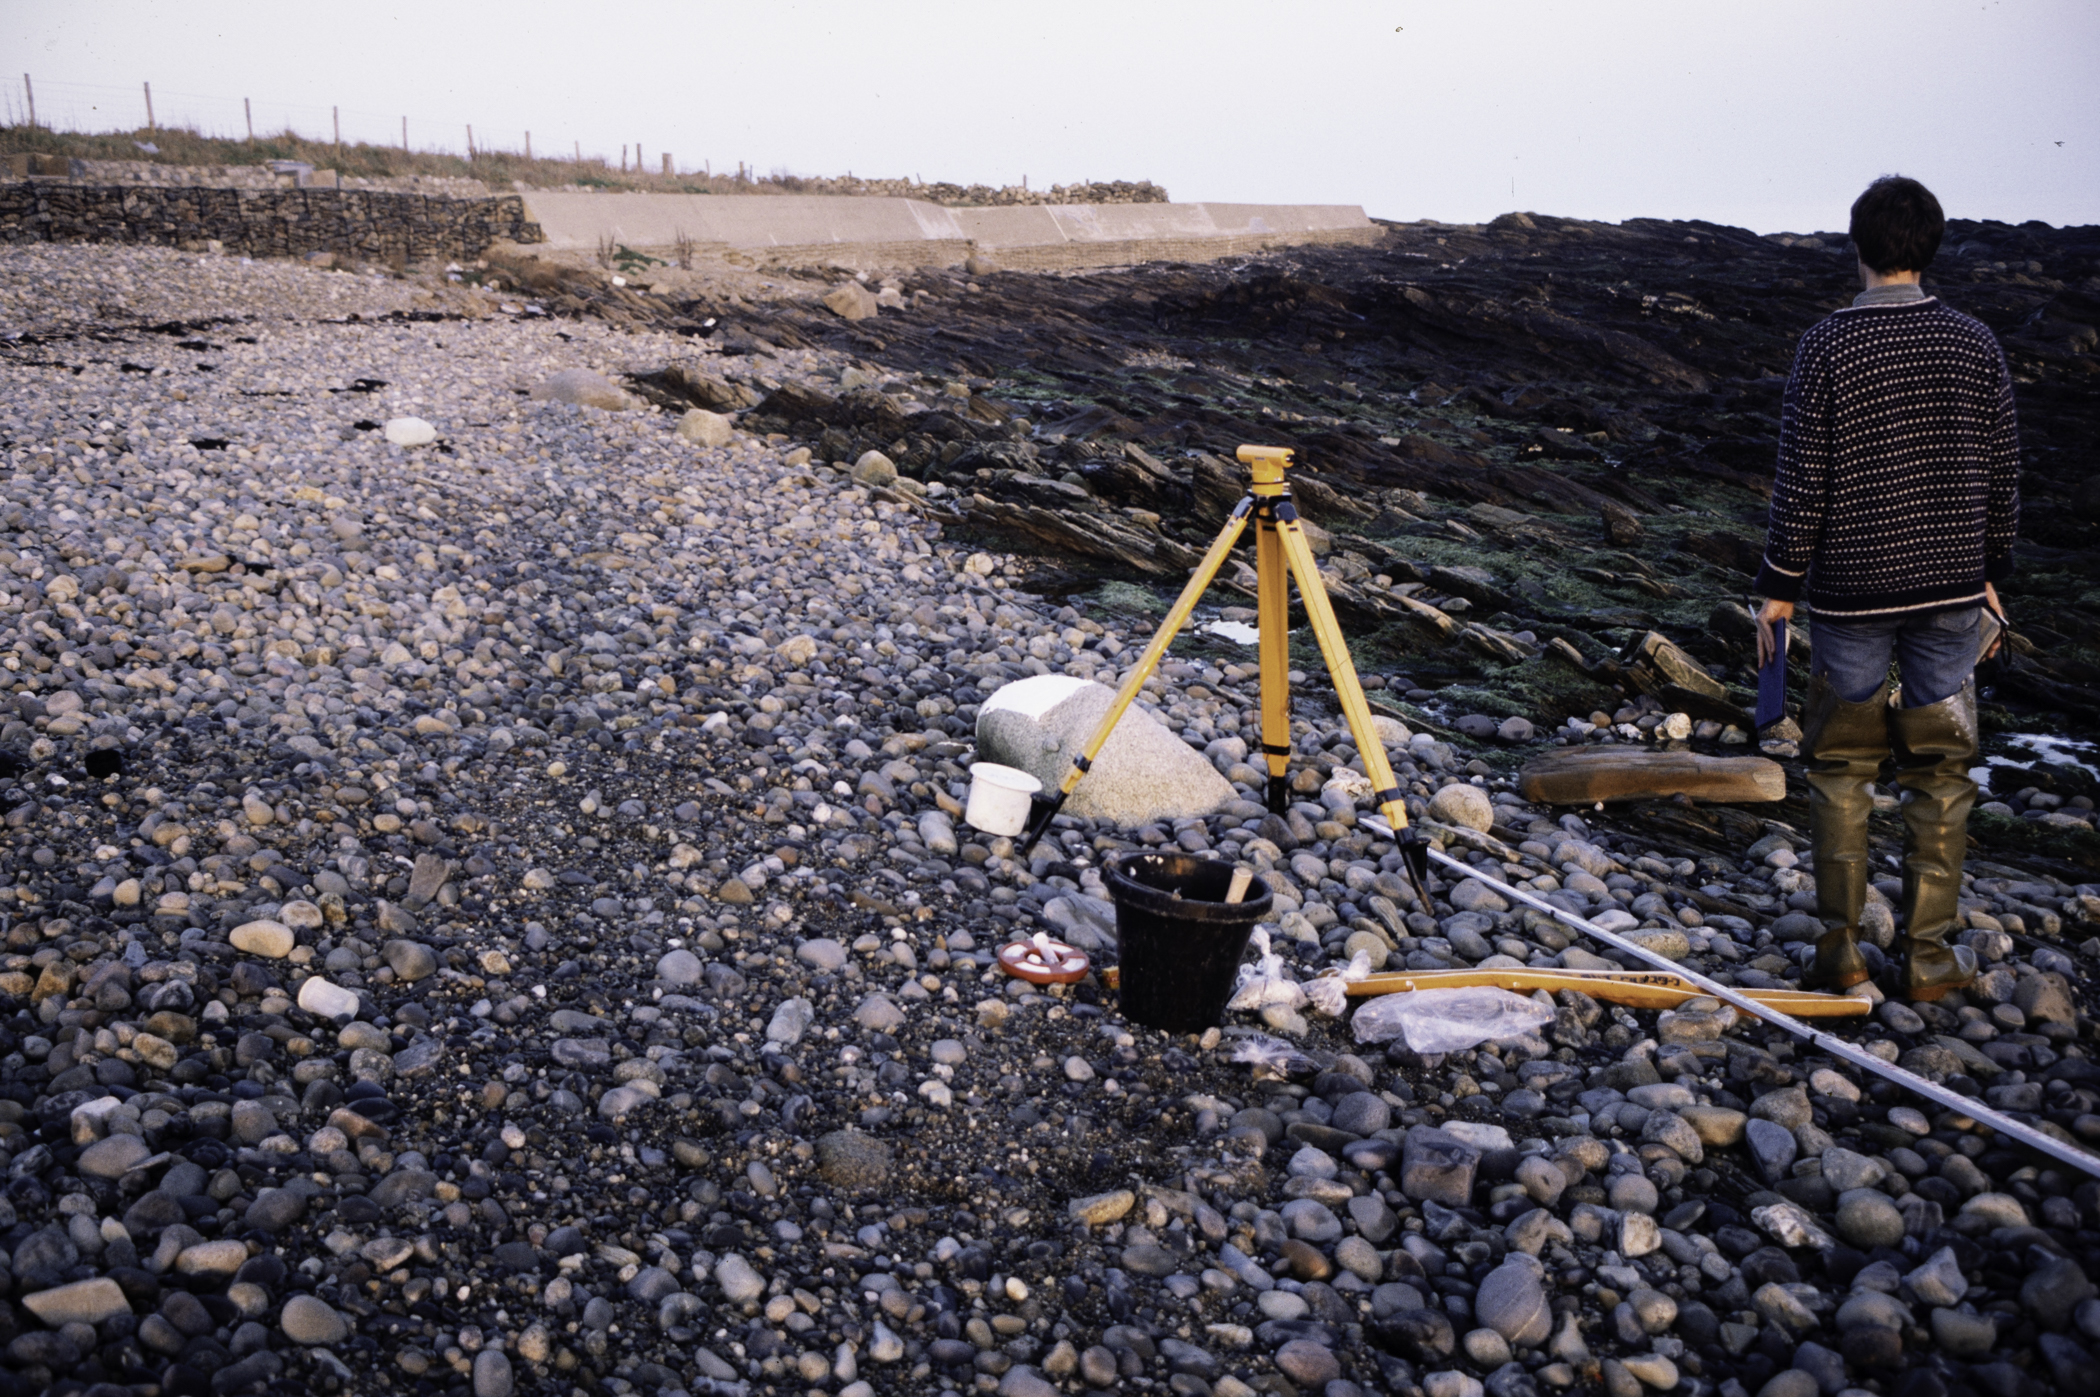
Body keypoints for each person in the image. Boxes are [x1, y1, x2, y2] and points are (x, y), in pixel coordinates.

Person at [1753, 174, 2019, 1003]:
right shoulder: (1976, 342)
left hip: (1851, 591)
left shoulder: (1827, 345)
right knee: (1942, 772)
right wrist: (1992, 576)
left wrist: (1777, 587)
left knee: (1840, 769)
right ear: (1930, 248)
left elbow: (1803, 485)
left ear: (1857, 247)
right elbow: (2005, 480)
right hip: (1948, 590)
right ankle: (1931, 960)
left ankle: (1841, 954)